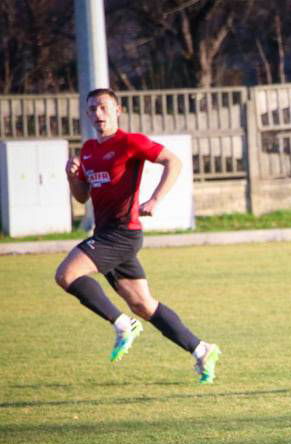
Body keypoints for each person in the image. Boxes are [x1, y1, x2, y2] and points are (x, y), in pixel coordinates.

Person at [56, 88, 221, 384]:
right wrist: (72, 177)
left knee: (66, 274)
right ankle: (202, 350)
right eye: (92, 109)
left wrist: (155, 199)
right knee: (144, 305)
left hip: (123, 233)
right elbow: (82, 197)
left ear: (117, 110)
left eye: (104, 107)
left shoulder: (130, 142)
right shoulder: (88, 150)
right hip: (105, 234)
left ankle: (123, 325)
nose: (98, 114)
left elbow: (173, 161)